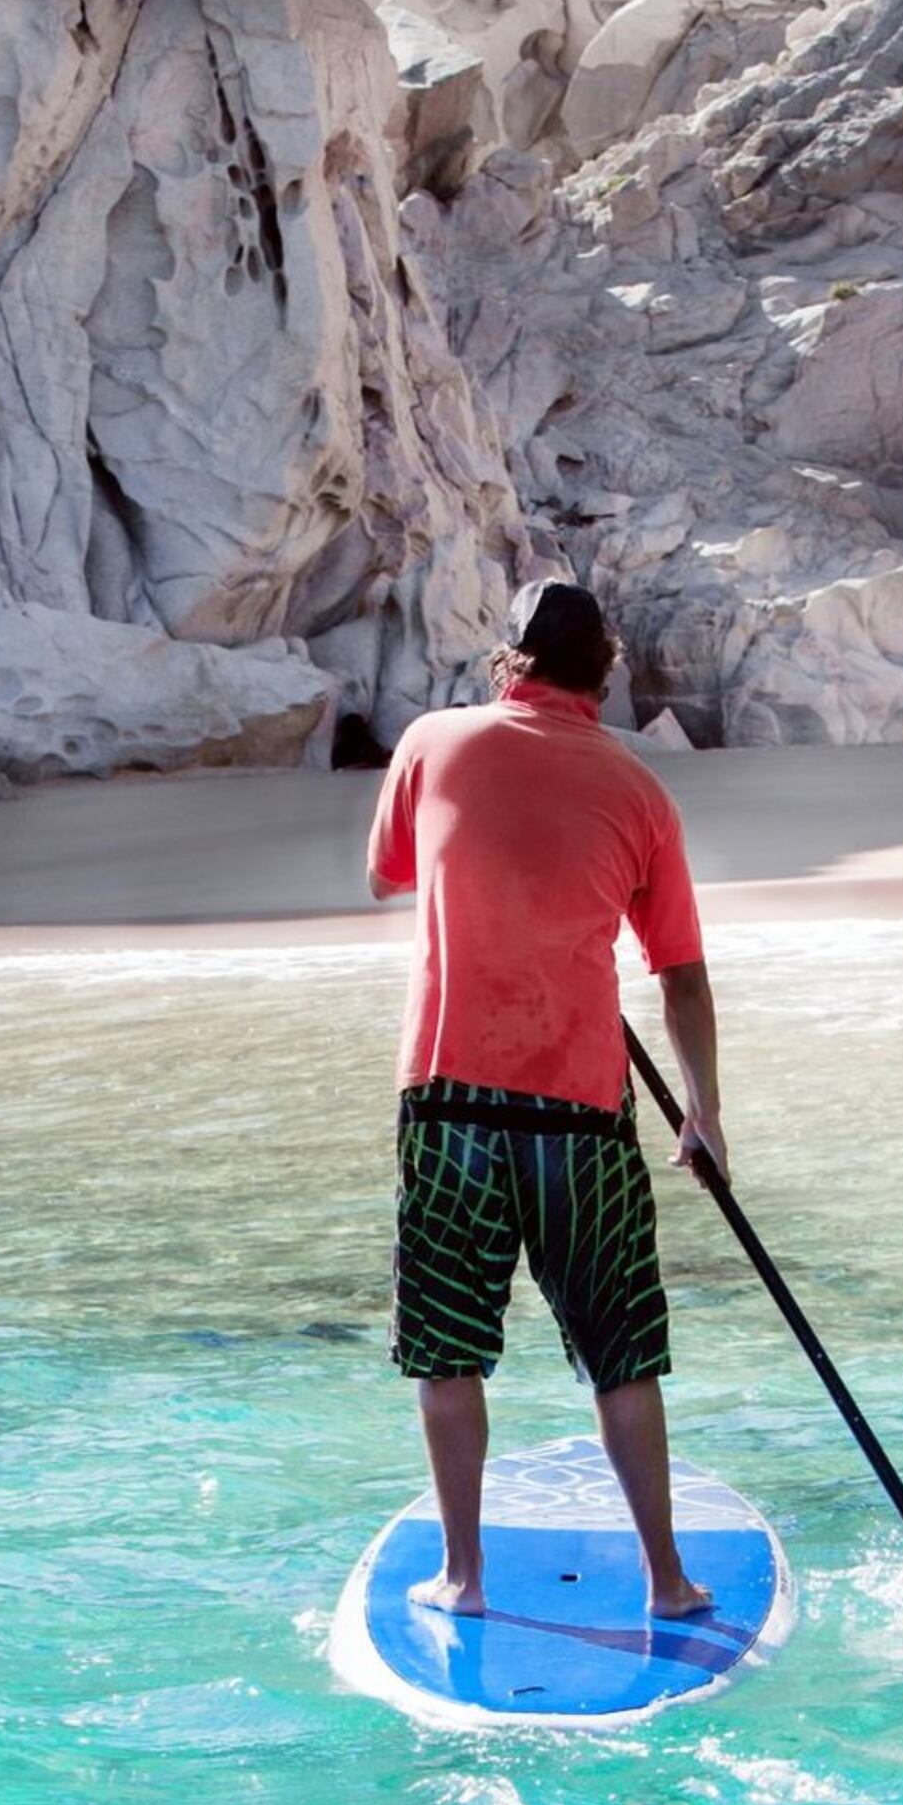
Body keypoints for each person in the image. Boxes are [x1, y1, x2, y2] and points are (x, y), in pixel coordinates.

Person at [365, 579, 724, 1622]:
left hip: (448, 1102)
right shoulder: (642, 794)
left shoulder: (434, 743)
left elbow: (386, 869)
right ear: (604, 681)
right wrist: (701, 1115)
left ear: (507, 664)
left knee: (446, 1349)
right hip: (580, 1109)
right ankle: (668, 1581)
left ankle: (464, 1579)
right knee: (621, 1354)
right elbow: (683, 977)